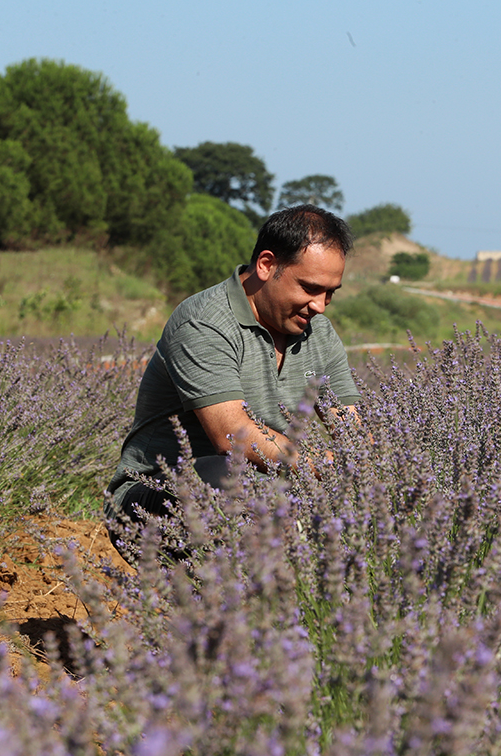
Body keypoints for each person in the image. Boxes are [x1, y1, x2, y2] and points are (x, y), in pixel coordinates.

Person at [106, 204, 361, 557]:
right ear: (267, 265)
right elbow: (234, 436)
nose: (320, 305)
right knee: (230, 479)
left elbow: (351, 427)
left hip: (268, 490)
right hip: (152, 499)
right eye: (310, 288)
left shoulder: (318, 332)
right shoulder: (204, 322)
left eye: (330, 293)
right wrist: (321, 465)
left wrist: (361, 460)